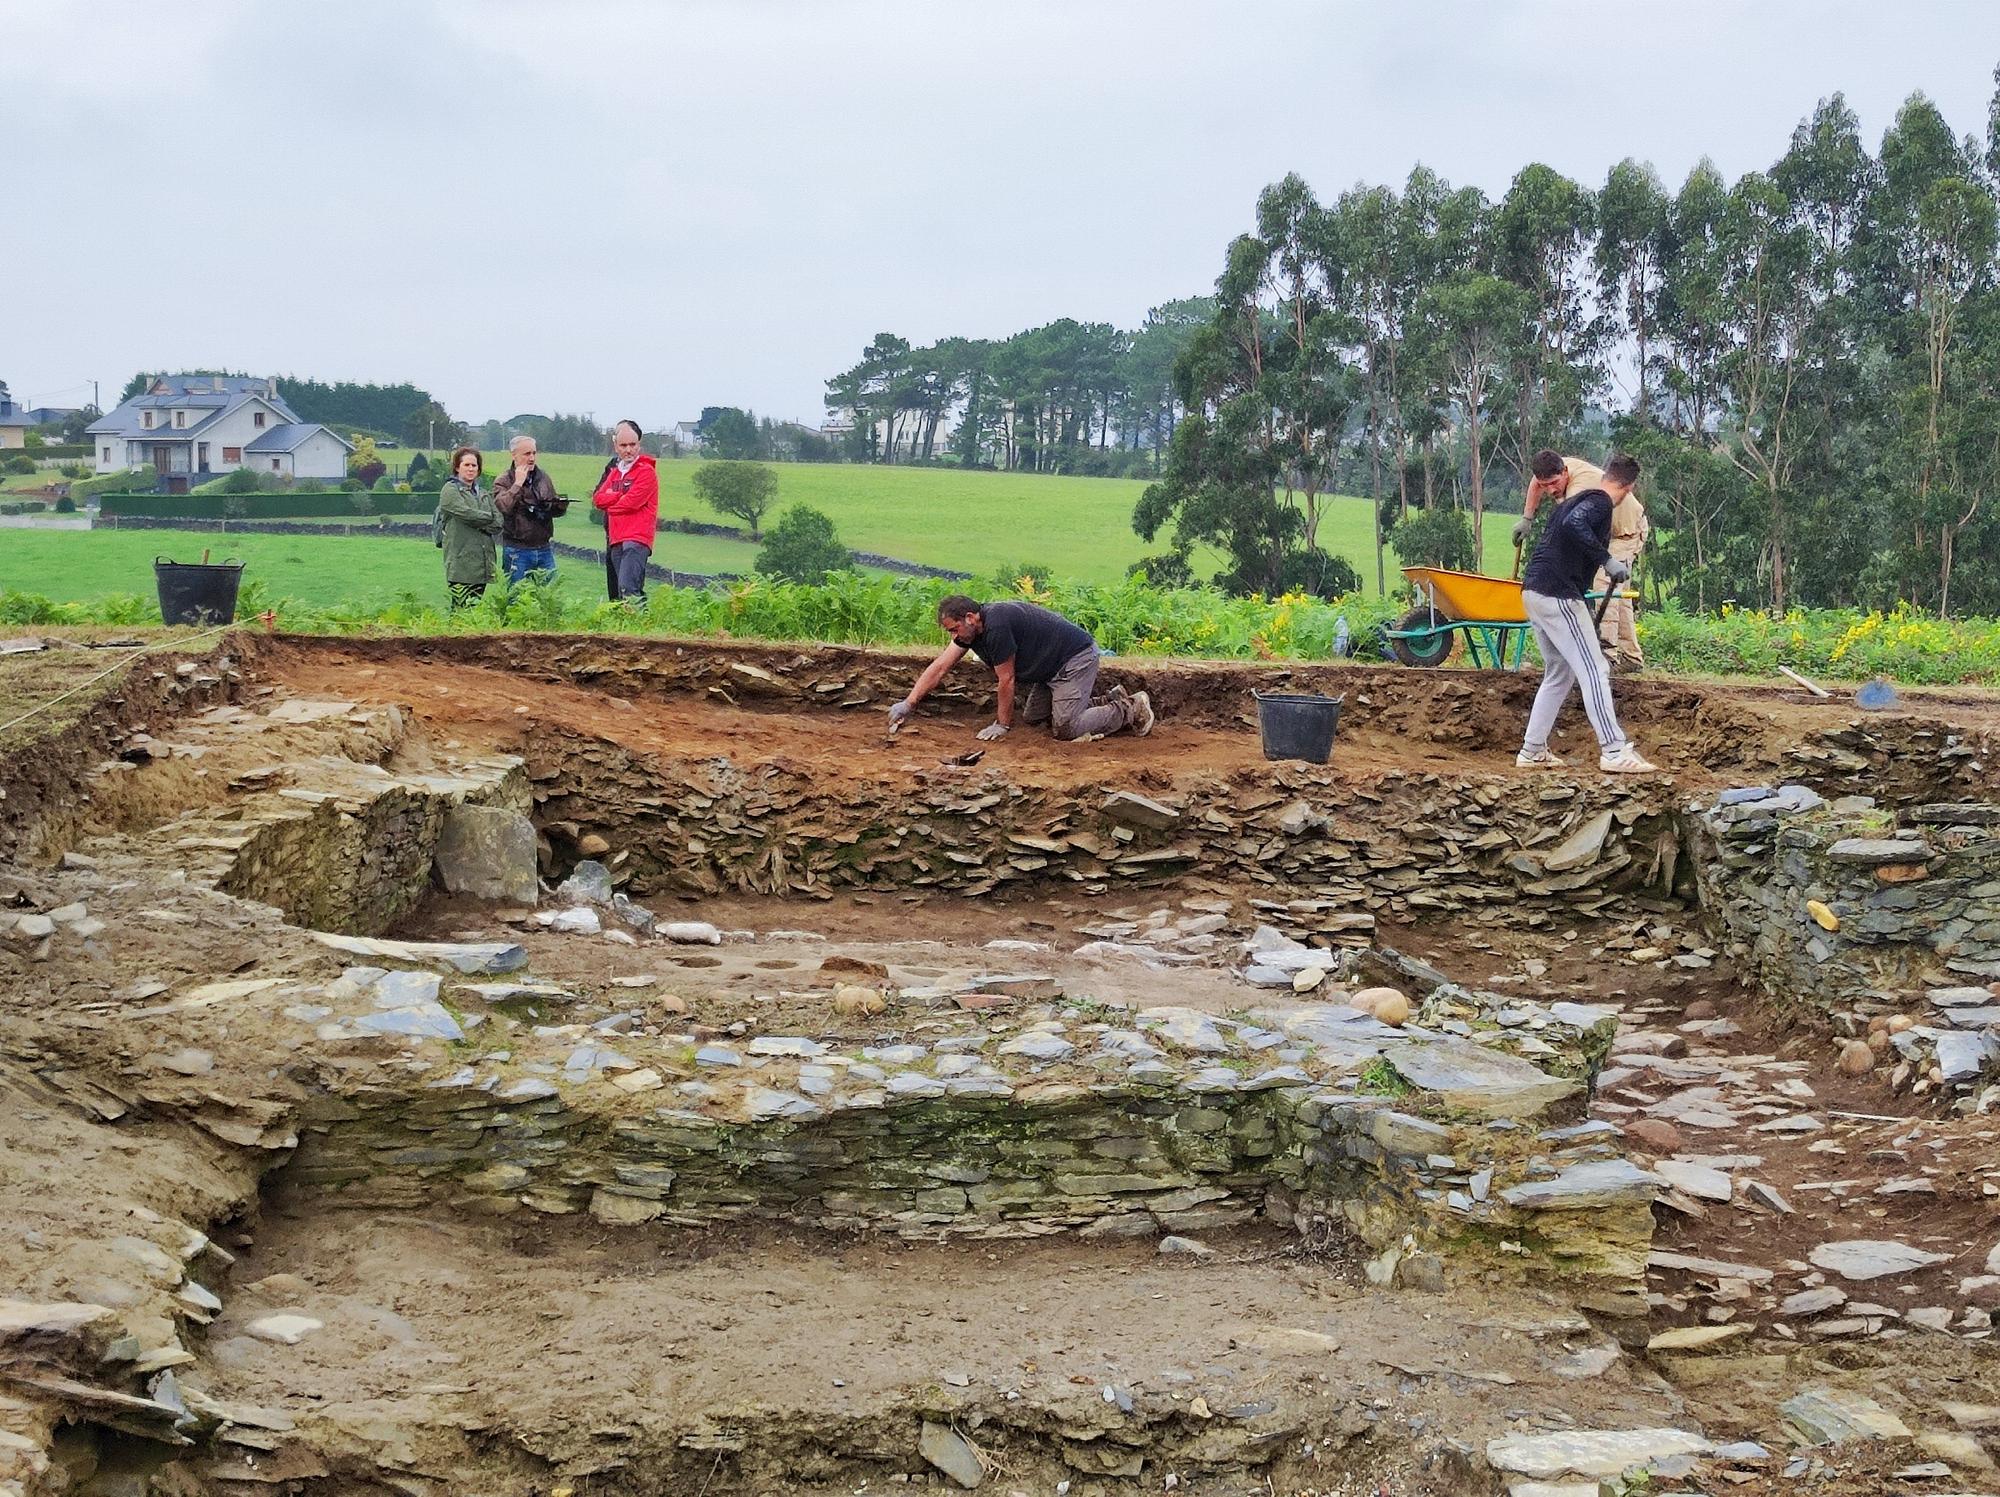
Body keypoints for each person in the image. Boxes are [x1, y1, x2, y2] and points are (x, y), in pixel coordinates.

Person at [1515, 453, 1657, 774]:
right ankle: (1613, 749)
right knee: (1595, 669)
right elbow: (1574, 525)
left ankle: (1532, 750)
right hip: (1557, 594)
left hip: (1535, 591)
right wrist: (1607, 560)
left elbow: (1567, 536)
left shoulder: (1572, 500)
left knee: (1559, 673)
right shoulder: (1600, 501)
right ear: (1630, 487)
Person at [891, 595, 1154, 743]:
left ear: (970, 618)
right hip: (1049, 669)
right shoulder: (970, 633)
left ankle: (1130, 707)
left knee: (1066, 730)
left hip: (1074, 658)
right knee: (1032, 717)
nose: (953, 636)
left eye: (954, 628)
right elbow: (939, 667)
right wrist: (909, 703)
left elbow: (1006, 680)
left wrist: (1002, 725)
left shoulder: (997, 626)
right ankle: (1108, 699)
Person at [591, 420, 658, 602]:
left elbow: (631, 503)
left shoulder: (646, 472)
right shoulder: (614, 472)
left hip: (637, 538)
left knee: (629, 589)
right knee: (620, 591)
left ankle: (641, 626)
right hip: (616, 538)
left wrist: (611, 501)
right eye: (623, 445)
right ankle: (628, 627)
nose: (628, 450)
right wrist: (620, 495)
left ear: (639, 446)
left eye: (632, 445)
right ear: (616, 447)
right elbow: (597, 499)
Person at [492, 434, 568, 584]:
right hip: (517, 549)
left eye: (534, 453)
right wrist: (517, 484)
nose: (532, 458)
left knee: (549, 597)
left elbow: (552, 510)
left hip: (544, 548)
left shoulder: (543, 478)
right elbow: (503, 507)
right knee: (516, 599)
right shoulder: (504, 480)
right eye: (527, 454)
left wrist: (559, 506)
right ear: (513, 455)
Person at [437, 445, 501, 609]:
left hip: (482, 563)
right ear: (457, 467)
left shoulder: (484, 493)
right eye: (467, 465)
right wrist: (487, 517)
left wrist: (483, 520)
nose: (471, 469)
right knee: (459, 609)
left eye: (474, 465)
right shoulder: (450, 490)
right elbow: (465, 514)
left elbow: (499, 522)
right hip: (460, 563)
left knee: (475, 609)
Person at [1598, 483, 1651, 671]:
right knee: (1620, 599)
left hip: (1624, 534)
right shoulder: (1580, 480)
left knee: (1604, 593)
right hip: (1619, 533)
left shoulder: (1577, 486)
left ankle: (1607, 657)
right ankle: (1631, 657)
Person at [1511, 449, 1606, 547]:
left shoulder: (1579, 488)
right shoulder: (1557, 465)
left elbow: (1569, 524)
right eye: (1545, 485)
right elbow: (1536, 481)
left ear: (1565, 472)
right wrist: (1527, 518)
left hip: (1618, 535)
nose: (1551, 490)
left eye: (1554, 483)